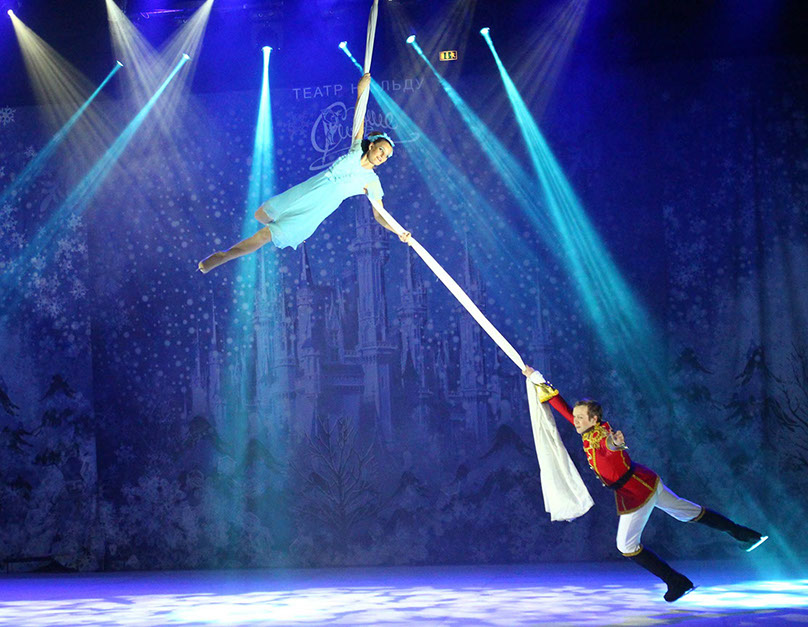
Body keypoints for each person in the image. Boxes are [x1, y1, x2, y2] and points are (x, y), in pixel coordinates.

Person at [522, 366, 768, 603]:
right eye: (575, 417)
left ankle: (676, 581)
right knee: (687, 512)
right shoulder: (589, 429)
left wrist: (615, 444)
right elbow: (564, 410)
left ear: (594, 419)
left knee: (626, 545)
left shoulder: (601, 436)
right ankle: (744, 534)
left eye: (579, 418)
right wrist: (537, 378)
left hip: (637, 492)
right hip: (646, 480)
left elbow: (609, 447)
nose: (574, 421)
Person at [198, 72, 409, 274]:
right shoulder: (356, 150)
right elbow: (359, 116)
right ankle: (289, 229)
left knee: (264, 236)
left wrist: (399, 231)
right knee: (260, 214)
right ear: (372, 146)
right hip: (305, 191)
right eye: (381, 150)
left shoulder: (372, 181)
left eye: (387, 156)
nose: (382, 156)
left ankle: (225, 256)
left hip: (317, 208)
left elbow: (380, 215)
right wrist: (362, 89)